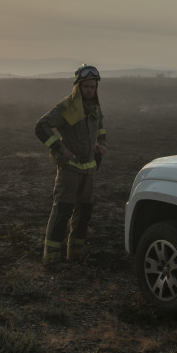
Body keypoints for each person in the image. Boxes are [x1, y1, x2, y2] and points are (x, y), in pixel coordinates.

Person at [35, 64, 107, 266]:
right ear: (78, 86)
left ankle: (75, 254)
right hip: (69, 170)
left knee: (84, 213)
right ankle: (51, 258)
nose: (90, 91)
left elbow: (100, 128)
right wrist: (60, 149)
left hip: (88, 170)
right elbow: (41, 126)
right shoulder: (67, 108)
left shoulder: (95, 108)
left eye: (93, 87)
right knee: (63, 211)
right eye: (86, 87)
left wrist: (102, 144)